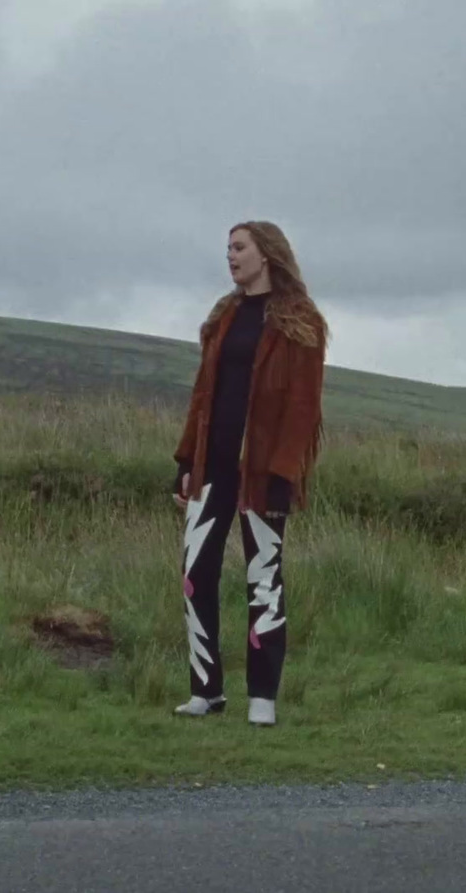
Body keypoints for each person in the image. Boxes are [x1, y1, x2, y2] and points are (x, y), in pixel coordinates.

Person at [171, 220, 328, 727]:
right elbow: (202, 396)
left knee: (263, 579)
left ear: (267, 254)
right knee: (196, 576)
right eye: (228, 249)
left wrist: (285, 471)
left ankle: (263, 696)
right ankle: (206, 691)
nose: (231, 257)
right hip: (212, 468)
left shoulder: (299, 321)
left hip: (263, 474)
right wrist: (184, 463)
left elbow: (303, 407)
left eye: (239, 248)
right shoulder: (225, 316)